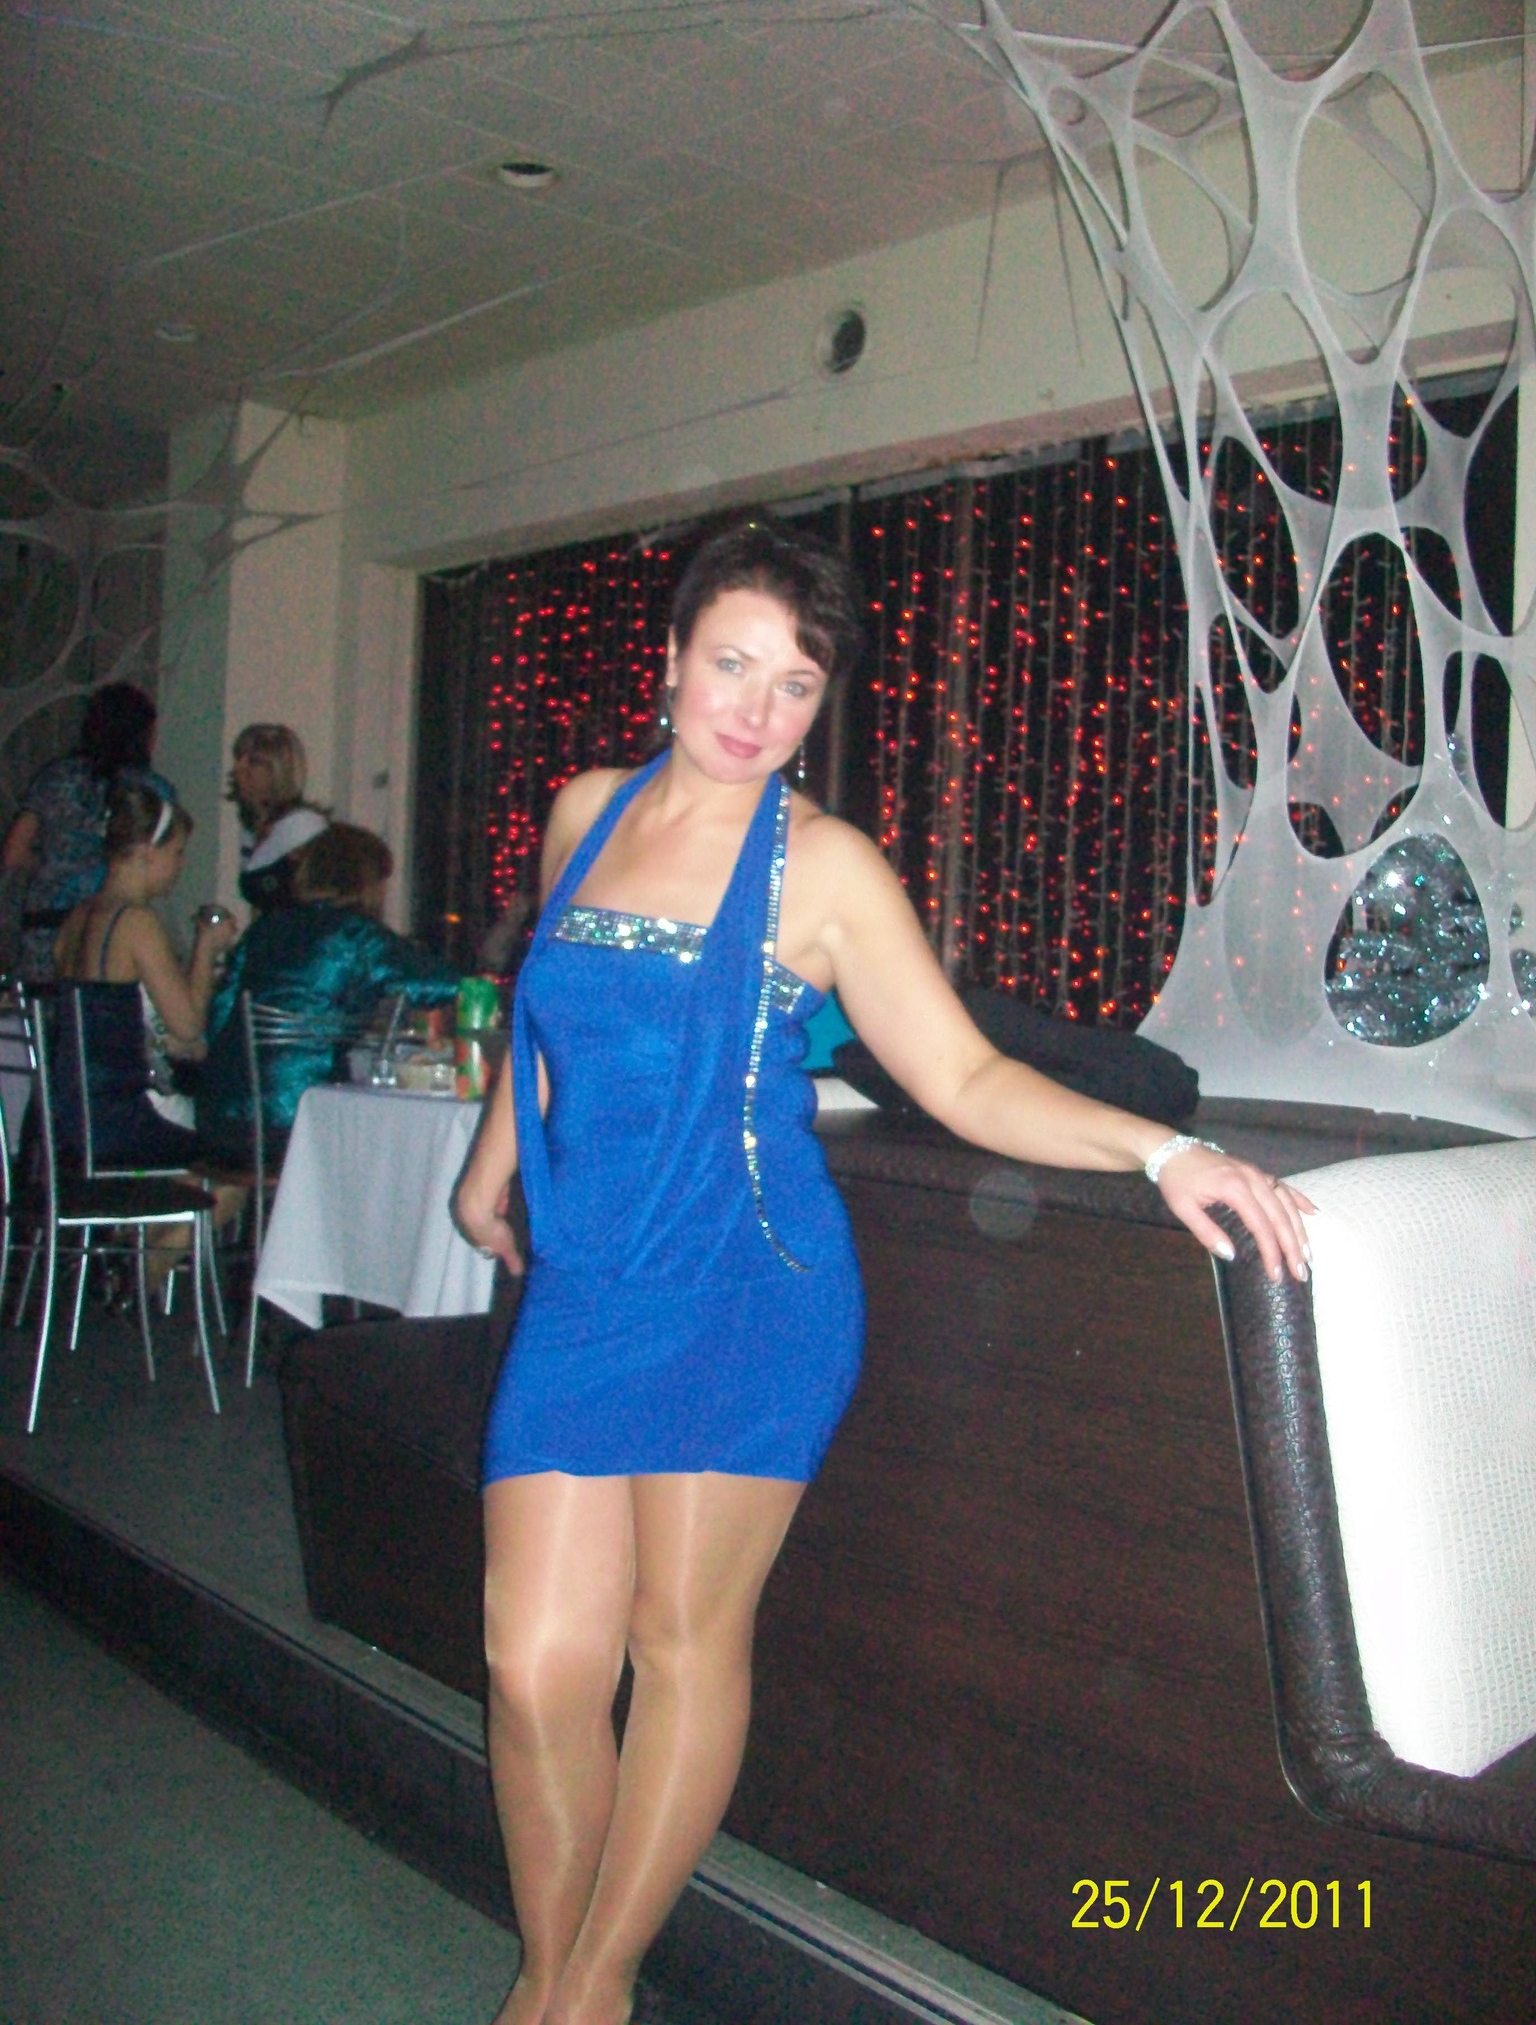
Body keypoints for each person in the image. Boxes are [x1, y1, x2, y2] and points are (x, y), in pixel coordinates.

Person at [452, 522, 1313, 2025]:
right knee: (533, 1664)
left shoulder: (829, 869)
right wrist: (491, 1162)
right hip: (591, 1285)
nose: (755, 709)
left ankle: (583, 1989)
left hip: (748, 1286)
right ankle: (551, 1958)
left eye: (794, 685)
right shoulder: (586, 810)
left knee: (677, 1642)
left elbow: (965, 1077)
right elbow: (547, 1009)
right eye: (732, 665)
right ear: (669, 662)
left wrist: (1167, 1151)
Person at [195, 822, 457, 1162]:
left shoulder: (264, 928)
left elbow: (219, 1017)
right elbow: (443, 984)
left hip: (218, 1117)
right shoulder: (357, 935)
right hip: (303, 1120)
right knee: (395, 1142)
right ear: (367, 883)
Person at [50, 784, 236, 1170]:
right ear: (148, 853)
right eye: (177, 852)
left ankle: (158, 1209)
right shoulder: (137, 923)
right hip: (124, 1115)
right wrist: (206, 947)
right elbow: (188, 1026)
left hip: (69, 1116)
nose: (181, 865)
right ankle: (183, 1212)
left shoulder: (75, 920)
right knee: (239, 1155)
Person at [2, 681, 174, 982]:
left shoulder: (56, 777)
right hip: (109, 930)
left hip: (43, 928)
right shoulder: (151, 792)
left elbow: (14, 853)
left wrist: (52, 866)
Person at [226, 722, 329, 915]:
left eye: (253, 762)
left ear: (278, 771)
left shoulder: (302, 826)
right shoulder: (253, 825)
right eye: (239, 758)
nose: (238, 768)